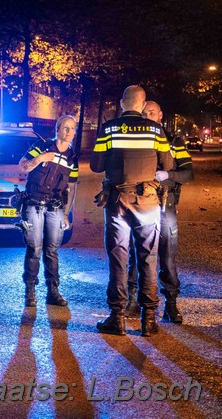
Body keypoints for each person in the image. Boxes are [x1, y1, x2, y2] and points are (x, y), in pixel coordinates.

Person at [91, 86, 174, 337]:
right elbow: (168, 165)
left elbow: (96, 165)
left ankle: (117, 318)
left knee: (119, 258)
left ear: (121, 103)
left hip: (118, 201)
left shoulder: (109, 129)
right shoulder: (156, 130)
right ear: (142, 104)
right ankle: (148, 320)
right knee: (148, 257)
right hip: (148, 201)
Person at [124, 101, 193, 323]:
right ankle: (133, 301)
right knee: (137, 254)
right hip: (142, 203)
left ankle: (171, 304)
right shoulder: (137, 138)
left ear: (160, 115)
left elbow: (188, 173)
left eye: (151, 113)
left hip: (166, 206)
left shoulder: (174, 141)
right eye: (144, 113)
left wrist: (168, 175)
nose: (148, 116)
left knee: (168, 256)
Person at [18, 115, 79, 308]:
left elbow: (72, 186)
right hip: (34, 203)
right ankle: (30, 291)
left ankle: (53, 291)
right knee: (34, 248)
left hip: (56, 207)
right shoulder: (42, 146)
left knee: (52, 250)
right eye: (65, 128)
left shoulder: (72, 158)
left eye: (72, 129)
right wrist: (40, 158)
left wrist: (67, 213)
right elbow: (22, 166)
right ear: (57, 129)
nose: (68, 132)